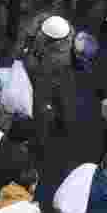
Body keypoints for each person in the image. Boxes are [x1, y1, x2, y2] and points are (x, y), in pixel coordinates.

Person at [24, 16, 78, 157]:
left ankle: (40, 143)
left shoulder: (56, 57)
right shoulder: (68, 30)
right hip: (63, 79)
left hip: (47, 81)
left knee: (41, 111)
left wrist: (31, 54)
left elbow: (36, 68)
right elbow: (43, 18)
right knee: (61, 101)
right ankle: (62, 124)